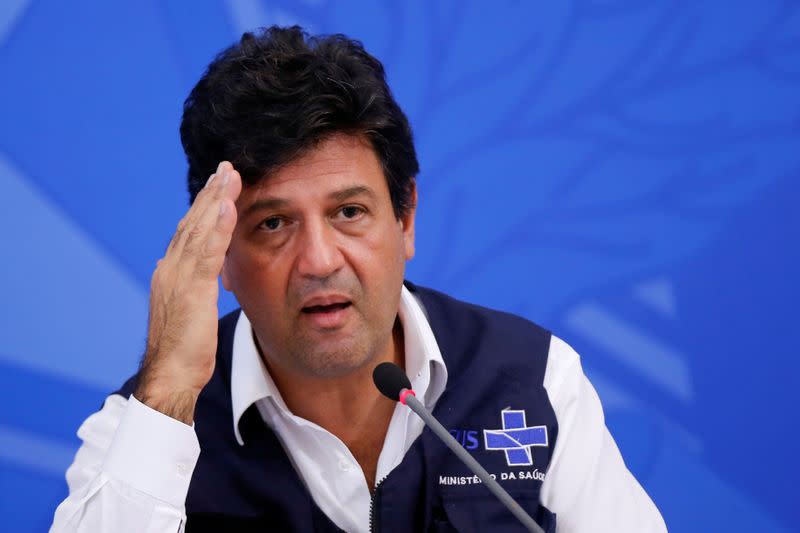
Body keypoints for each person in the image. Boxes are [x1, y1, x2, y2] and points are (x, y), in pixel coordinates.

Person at [50, 26, 666, 532]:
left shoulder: (532, 380)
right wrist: (170, 393)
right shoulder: (147, 422)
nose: (319, 260)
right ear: (221, 254)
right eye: (272, 224)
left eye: (349, 212)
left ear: (405, 221)